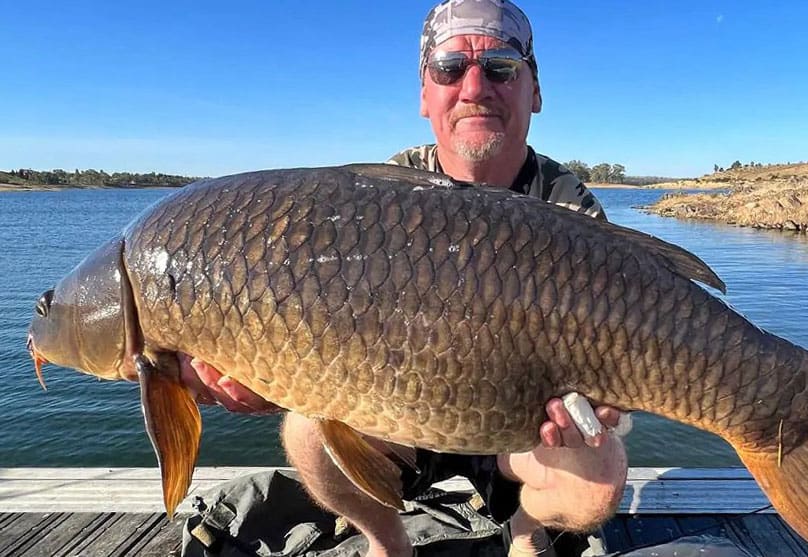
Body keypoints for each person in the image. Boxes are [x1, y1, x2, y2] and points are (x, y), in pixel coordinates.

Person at [180, 1, 628, 556]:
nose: (474, 87)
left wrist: (604, 399)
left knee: (599, 475)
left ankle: (526, 532)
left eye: (501, 67)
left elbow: (619, 369)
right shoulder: (380, 198)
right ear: (425, 95)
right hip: (404, 411)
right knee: (307, 429)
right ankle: (388, 544)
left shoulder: (570, 209)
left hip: (523, 425)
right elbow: (318, 326)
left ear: (534, 90)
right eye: (449, 69)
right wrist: (269, 374)